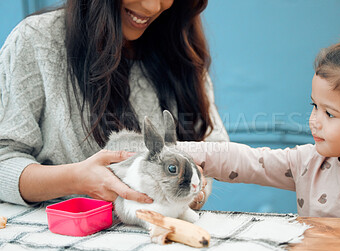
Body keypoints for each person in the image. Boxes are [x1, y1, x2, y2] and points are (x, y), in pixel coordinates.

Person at [0, 0, 228, 208]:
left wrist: (193, 191)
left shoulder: (179, 47)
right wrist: (75, 179)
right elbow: (4, 160)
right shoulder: (36, 41)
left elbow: (213, 147)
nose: (151, 7)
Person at [177, 19, 340, 223]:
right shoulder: (307, 163)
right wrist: (177, 150)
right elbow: (245, 160)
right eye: (314, 106)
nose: (314, 121)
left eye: (329, 114)